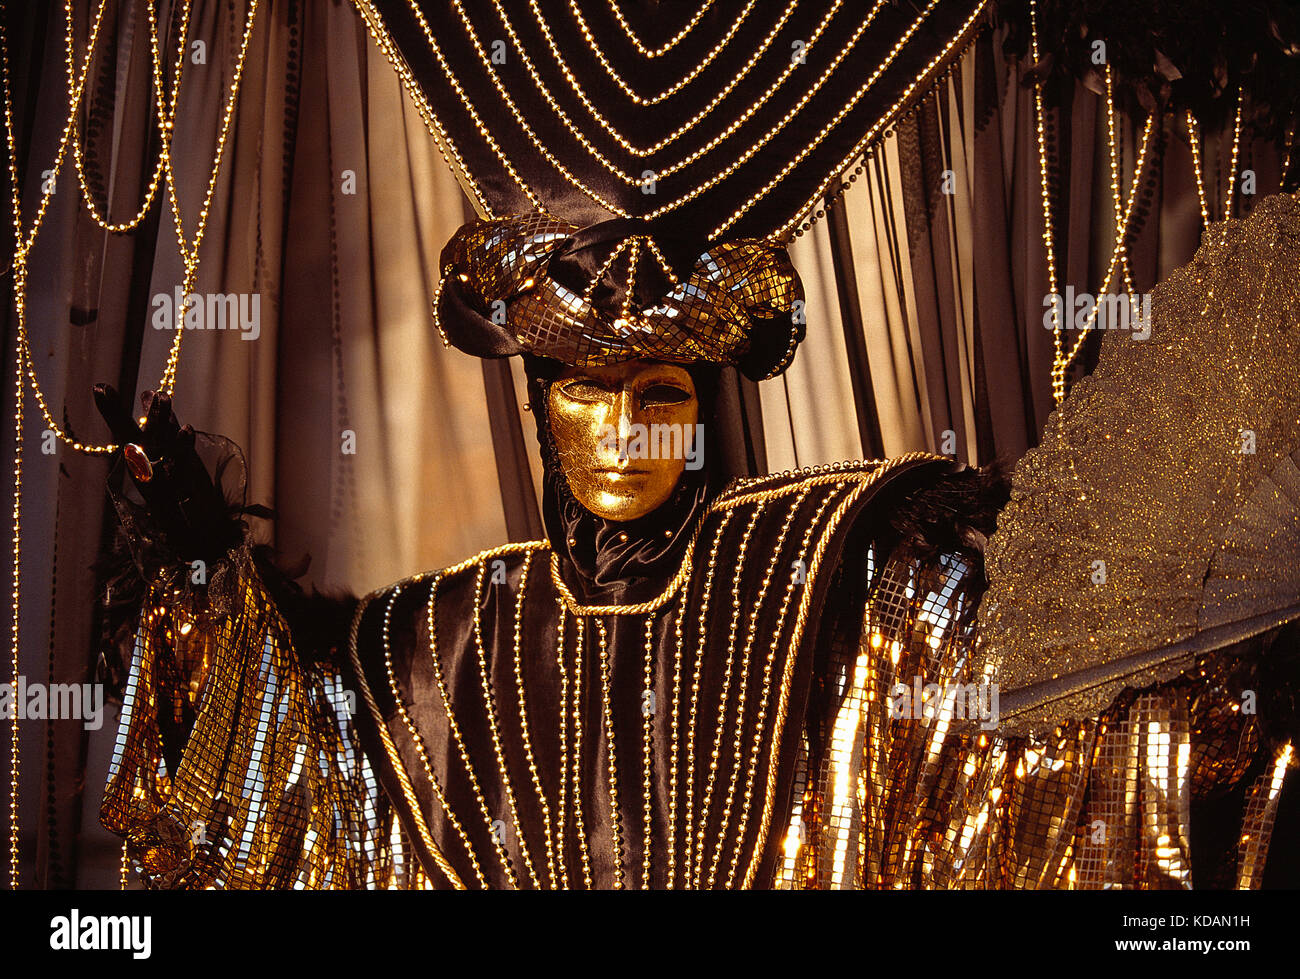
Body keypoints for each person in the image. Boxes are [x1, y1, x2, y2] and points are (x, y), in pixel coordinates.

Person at [93, 196, 1300, 889]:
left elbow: (1034, 713)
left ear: (709, 400)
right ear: (534, 400)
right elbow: (299, 779)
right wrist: (199, 571)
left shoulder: (840, 571)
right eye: (585, 389)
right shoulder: (444, 635)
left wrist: (1211, 671)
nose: (621, 429)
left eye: (658, 390)